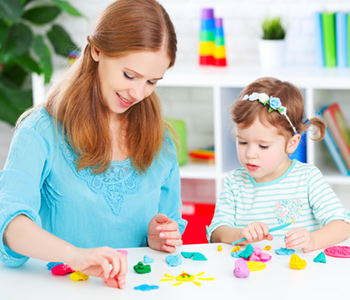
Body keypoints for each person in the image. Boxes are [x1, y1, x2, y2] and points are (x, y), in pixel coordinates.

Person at [0, 0, 187, 289]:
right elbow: (10, 224)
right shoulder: (40, 131)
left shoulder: (160, 142)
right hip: (55, 290)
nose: (138, 93)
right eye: (130, 75)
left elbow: (169, 222)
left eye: (152, 81)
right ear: (97, 50)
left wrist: (158, 236)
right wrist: (73, 255)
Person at [207, 77, 350, 252]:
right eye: (242, 142)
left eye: (263, 146)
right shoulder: (234, 182)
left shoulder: (307, 178)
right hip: (249, 274)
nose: (250, 153)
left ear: (292, 143)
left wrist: (312, 240)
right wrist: (239, 234)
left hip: (299, 274)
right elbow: (216, 233)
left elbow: (343, 225)